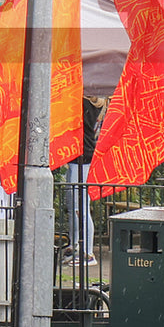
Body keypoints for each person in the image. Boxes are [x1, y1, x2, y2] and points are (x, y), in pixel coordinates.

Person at [66, 97, 105, 265]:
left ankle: (86, 251)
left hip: (83, 158)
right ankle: (76, 245)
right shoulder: (98, 105)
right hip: (82, 157)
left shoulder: (84, 104)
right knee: (74, 205)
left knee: (79, 207)